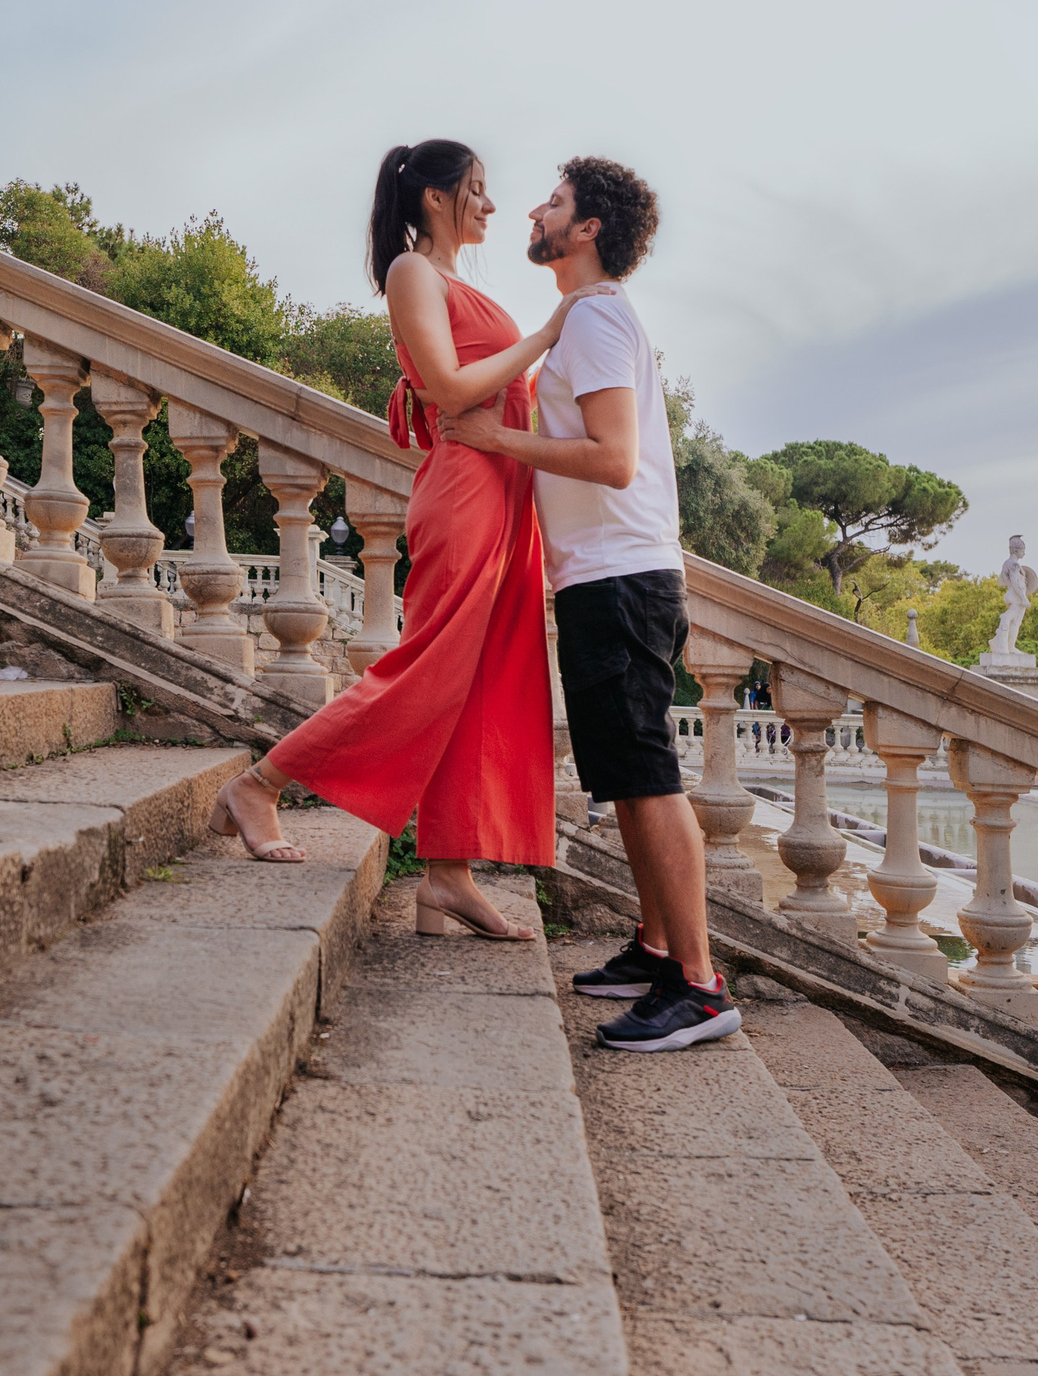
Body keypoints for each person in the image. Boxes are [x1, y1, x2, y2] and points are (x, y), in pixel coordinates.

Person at [207, 141, 610, 940]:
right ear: (433, 197)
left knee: (482, 683)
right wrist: (547, 334)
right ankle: (259, 784)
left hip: (501, 492)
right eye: (478, 191)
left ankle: (446, 877)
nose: (492, 206)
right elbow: (450, 388)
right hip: (466, 491)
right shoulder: (410, 272)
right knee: (427, 669)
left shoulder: (458, 282)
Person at [444, 158, 740, 1051]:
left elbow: (614, 457)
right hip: (602, 575)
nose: (535, 209)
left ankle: (699, 983)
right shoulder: (583, 320)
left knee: (646, 775)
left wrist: (499, 437)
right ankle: (656, 949)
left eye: (555, 202)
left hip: (621, 577)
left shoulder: (600, 317)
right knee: (624, 773)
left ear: (587, 231)